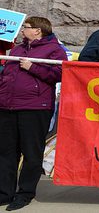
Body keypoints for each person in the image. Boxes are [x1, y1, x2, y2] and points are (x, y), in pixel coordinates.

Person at [0, 17, 67, 211]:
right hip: (7, 106)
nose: (22, 31)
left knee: (31, 152)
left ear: (38, 30)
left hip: (35, 107)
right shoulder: (18, 48)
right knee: (6, 152)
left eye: (26, 28)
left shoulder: (55, 49)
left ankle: (25, 193)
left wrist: (33, 67)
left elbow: (60, 74)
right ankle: (5, 193)